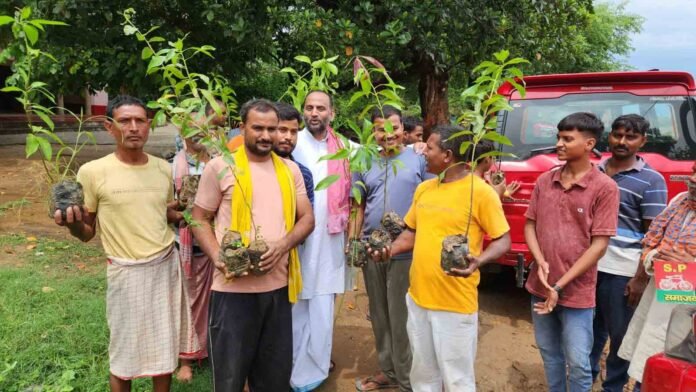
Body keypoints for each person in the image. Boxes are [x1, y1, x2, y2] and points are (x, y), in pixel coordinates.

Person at [55, 95, 199, 392]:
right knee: (123, 356)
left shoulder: (163, 168)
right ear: (110, 127)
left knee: (164, 347)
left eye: (140, 121)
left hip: (164, 267)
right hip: (125, 271)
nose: (133, 127)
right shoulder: (93, 172)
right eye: (124, 121)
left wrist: (176, 214)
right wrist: (71, 224)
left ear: (148, 125)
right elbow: (87, 232)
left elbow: (161, 213)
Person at [370, 124, 512, 391]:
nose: (424, 152)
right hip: (418, 297)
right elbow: (411, 233)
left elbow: (503, 239)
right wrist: (388, 250)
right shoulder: (425, 188)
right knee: (423, 374)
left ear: (447, 155)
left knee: (457, 377)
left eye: (430, 147)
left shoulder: (480, 192)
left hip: (454, 302)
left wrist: (479, 261)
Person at [191, 99, 314, 391]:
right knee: (230, 379)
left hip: (277, 290)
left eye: (273, 128)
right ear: (242, 127)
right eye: (257, 127)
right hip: (232, 291)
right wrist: (216, 255)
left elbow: (307, 219)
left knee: (273, 378)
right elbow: (199, 219)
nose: (266, 135)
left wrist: (283, 245)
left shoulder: (290, 170)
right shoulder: (220, 167)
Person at [524, 112, 620, 392]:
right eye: (559, 137)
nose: (560, 143)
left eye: (568, 138)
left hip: (577, 292)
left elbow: (599, 245)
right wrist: (540, 262)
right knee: (550, 354)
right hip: (539, 287)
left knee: (578, 362)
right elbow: (530, 226)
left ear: (589, 144)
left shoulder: (604, 188)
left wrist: (560, 284)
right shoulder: (546, 181)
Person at [351, 106, 431, 391]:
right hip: (372, 249)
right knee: (379, 314)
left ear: (404, 130)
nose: (388, 134)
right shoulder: (364, 160)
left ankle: (408, 379)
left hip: (406, 250)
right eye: (380, 129)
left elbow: (430, 201)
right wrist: (354, 241)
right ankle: (389, 371)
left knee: (402, 317)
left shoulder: (419, 158)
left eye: (394, 128)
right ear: (372, 132)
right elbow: (358, 205)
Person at [589, 115, 667, 392]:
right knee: (590, 331)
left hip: (622, 271)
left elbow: (654, 236)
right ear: (608, 136)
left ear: (642, 141)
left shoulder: (651, 181)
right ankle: (586, 381)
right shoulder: (593, 171)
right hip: (588, 268)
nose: (622, 141)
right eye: (617, 135)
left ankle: (613, 385)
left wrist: (640, 278)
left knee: (619, 335)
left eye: (630, 136)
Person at [290, 90, 353, 391]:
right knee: (296, 301)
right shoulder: (292, 142)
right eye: (309, 107)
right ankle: (292, 366)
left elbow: (377, 152)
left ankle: (315, 367)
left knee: (323, 303)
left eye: (321, 108)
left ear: (332, 113)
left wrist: (415, 146)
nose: (314, 113)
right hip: (298, 238)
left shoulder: (343, 146)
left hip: (329, 240)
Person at [618, 161, 696, 392]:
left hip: (690, 309)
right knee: (652, 360)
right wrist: (657, 257)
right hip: (662, 296)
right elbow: (653, 242)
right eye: (694, 172)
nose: (693, 180)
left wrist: (688, 264)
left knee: (680, 369)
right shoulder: (679, 201)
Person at [171, 114, 217, 383]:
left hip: (215, 243)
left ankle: (210, 350)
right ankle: (185, 359)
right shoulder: (171, 166)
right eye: (193, 128)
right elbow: (163, 208)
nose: (200, 133)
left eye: (206, 128)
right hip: (185, 245)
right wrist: (179, 214)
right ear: (182, 129)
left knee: (215, 300)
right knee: (185, 302)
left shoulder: (219, 162)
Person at [273, 102, 315, 206]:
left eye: (293, 132)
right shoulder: (251, 166)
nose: (288, 137)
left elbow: (307, 217)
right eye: (282, 130)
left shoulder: (304, 174)